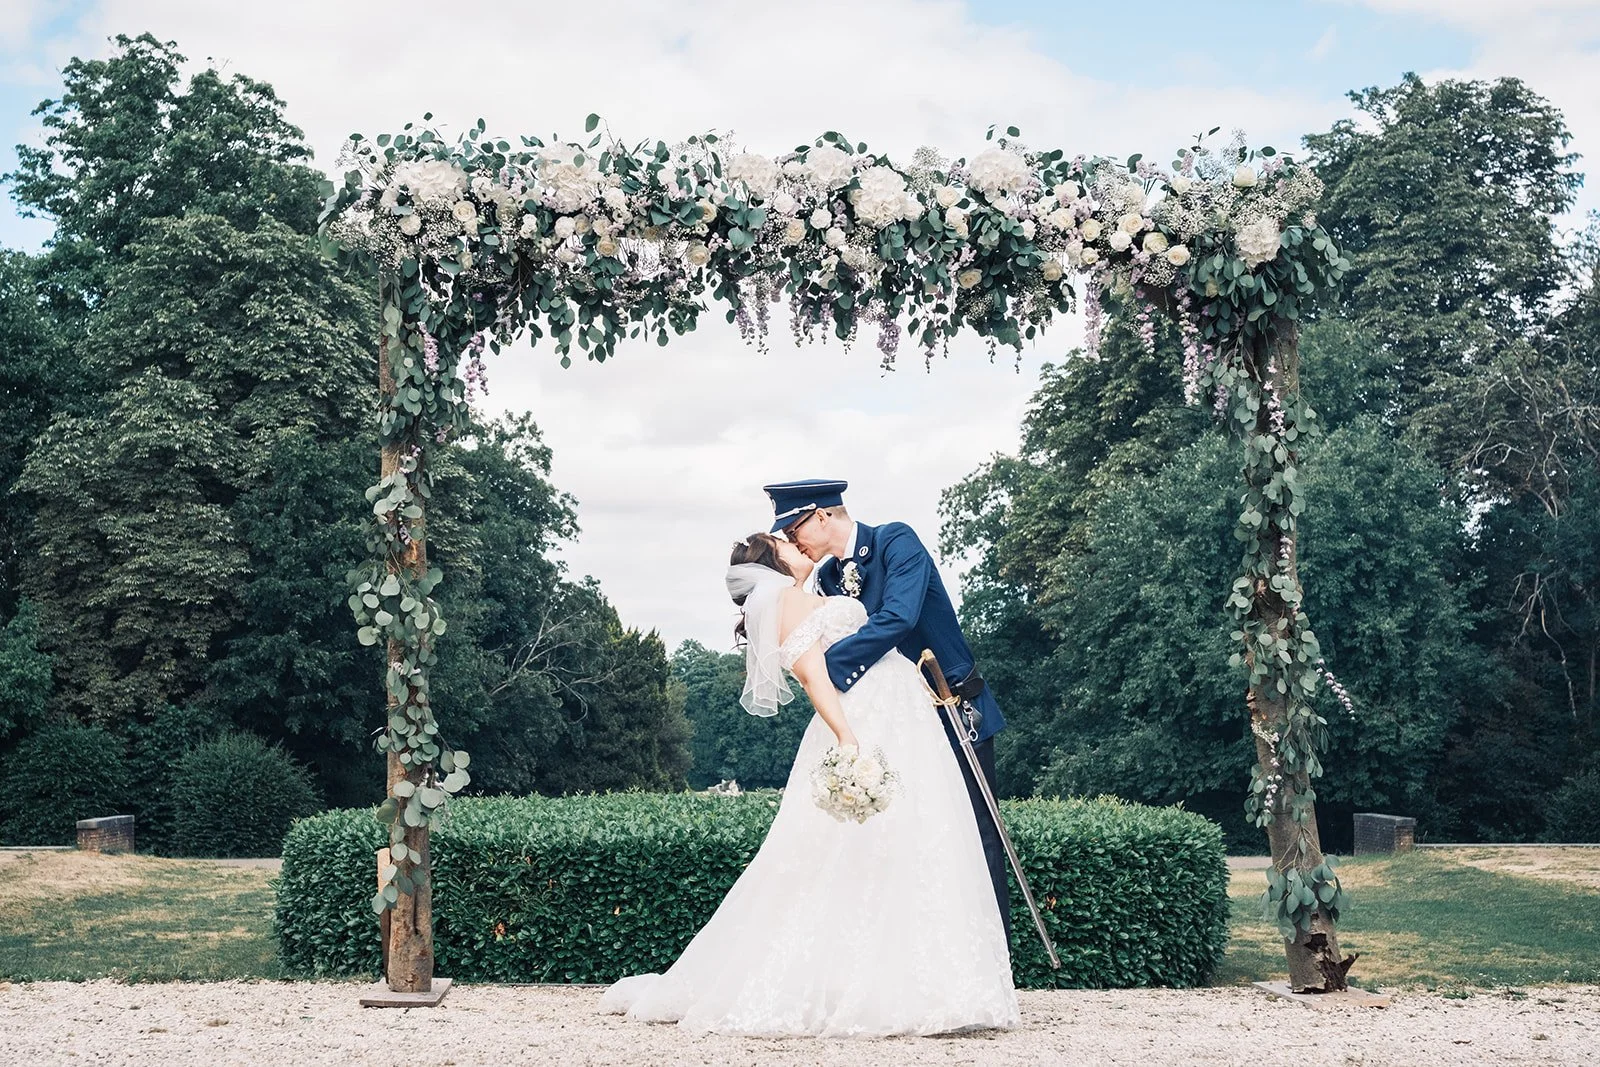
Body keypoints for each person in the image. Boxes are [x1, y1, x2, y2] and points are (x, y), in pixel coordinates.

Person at [597, 525, 1018, 1037]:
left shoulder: (819, 588)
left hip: (900, 713)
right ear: (774, 566)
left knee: (910, 841)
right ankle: (873, 985)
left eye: (795, 539)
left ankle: (921, 976)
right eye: (787, 547)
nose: (797, 547)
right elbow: (813, 676)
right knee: (854, 848)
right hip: (864, 720)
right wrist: (847, 738)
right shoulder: (791, 605)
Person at [769, 478, 1012, 942]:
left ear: (821, 515)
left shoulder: (895, 542)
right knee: (906, 833)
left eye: (794, 526)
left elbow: (898, 617)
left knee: (975, 831)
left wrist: (824, 669)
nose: (791, 539)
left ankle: (991, 956)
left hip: (951, 705)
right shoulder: (825, 578)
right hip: (888, 721)